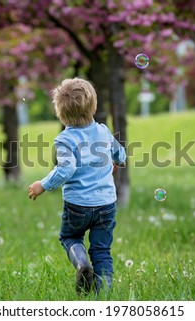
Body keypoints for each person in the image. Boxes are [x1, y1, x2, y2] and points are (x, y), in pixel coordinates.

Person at [28, 77, 126, 295]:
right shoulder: (103, 131)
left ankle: (81, 263)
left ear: (60, 113)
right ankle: (104, 296)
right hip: (106, 204)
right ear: (94, 106)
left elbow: (66, 169)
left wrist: (43, 185)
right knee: (102, 251)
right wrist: (117, 161)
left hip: (78, 205)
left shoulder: (64, 140)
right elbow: (120, 153)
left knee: (70, 237)